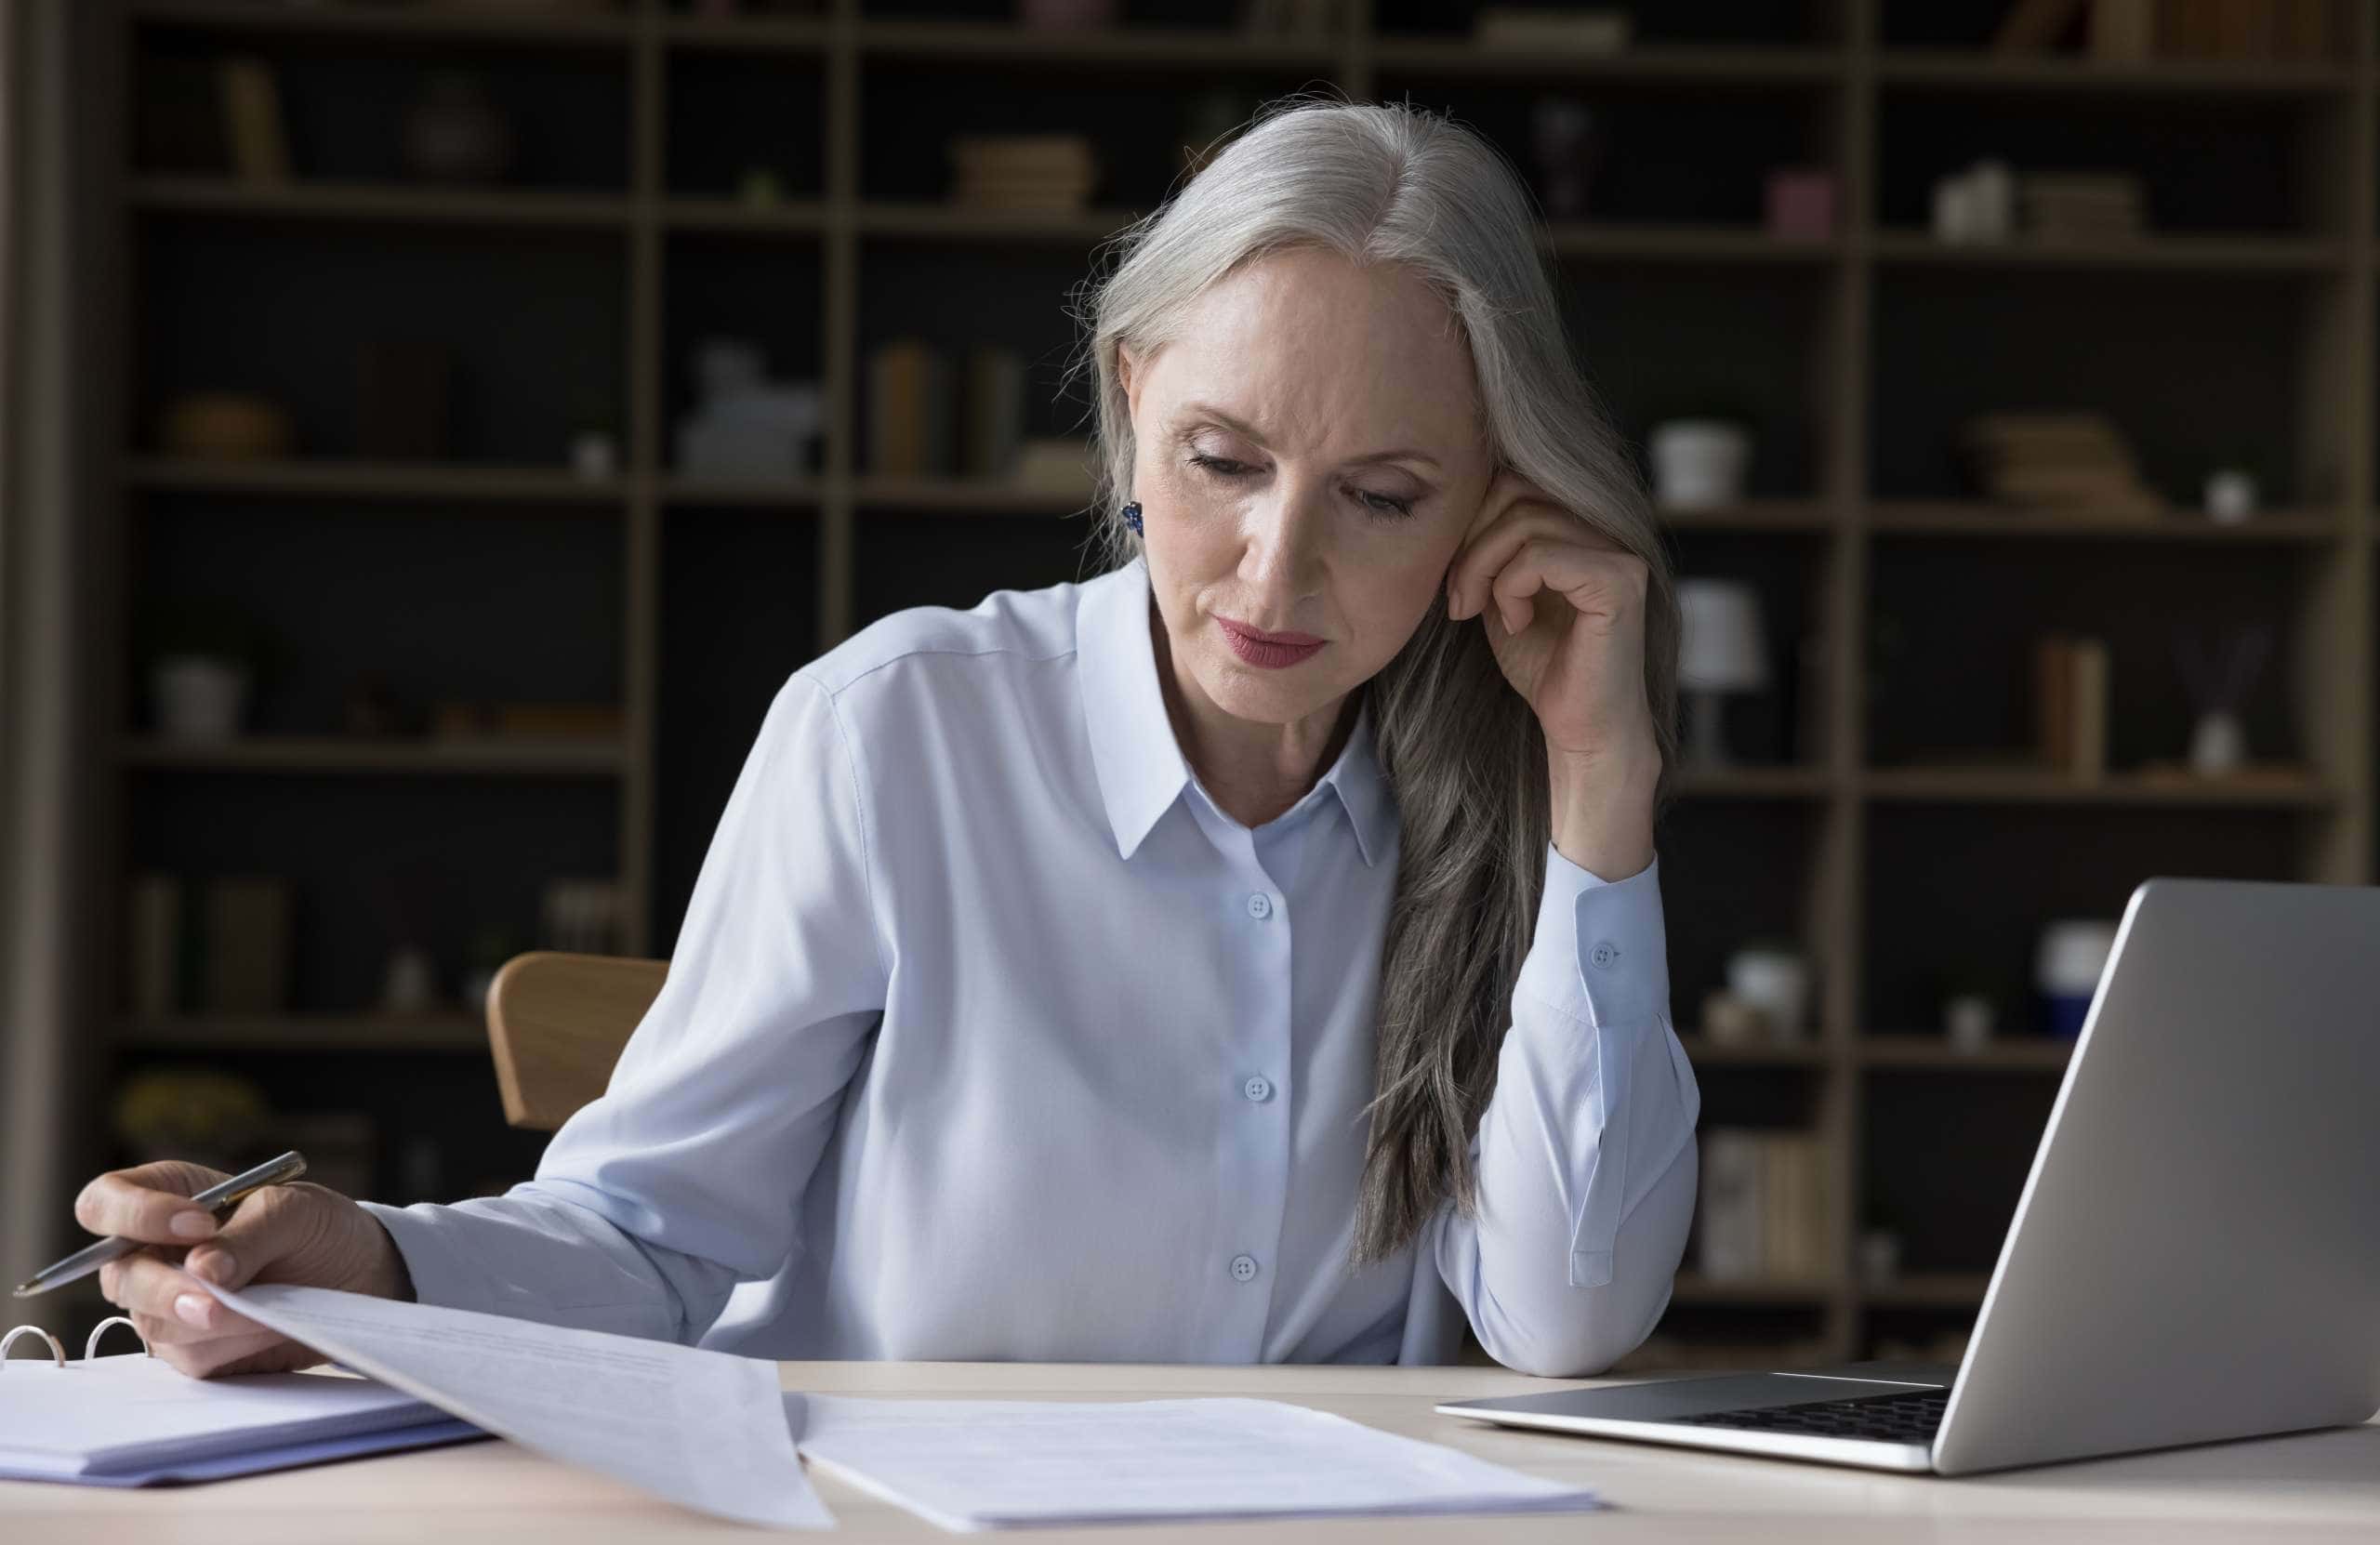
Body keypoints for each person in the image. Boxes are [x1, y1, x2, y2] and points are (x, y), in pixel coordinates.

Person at [74, 92, 1700, 1381]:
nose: (1278, 570)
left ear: (1492, 503)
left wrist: (1599, 788)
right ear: (1132, 405)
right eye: (1222, 460)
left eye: (1384, 498)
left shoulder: (1493, 793)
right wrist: (373, 1267)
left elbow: (1564, 1321)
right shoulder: (897, 734)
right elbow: (648, 1233)